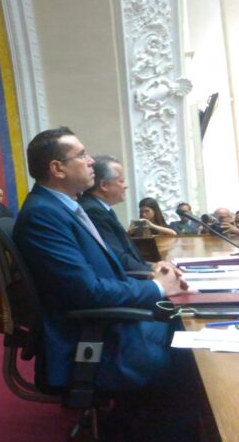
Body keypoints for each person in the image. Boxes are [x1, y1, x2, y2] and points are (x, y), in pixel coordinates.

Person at [13, 127, 187, 392]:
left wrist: (153, 276)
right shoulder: (43, 215)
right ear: (58, 169)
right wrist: (157, 288)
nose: (91, 161)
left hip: (109, 326)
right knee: (191, 356)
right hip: (93, 341)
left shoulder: (62, 207)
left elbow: (101, 272)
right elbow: (86, 292)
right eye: (82, 155)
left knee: (183, 323)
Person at [78, 155, 151, 272]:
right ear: (103, 185)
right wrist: (153, 273)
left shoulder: (101, 208)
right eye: (121, 181)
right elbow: (118, 258)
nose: (126, 186)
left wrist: (154, 266)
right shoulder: (93, 211)